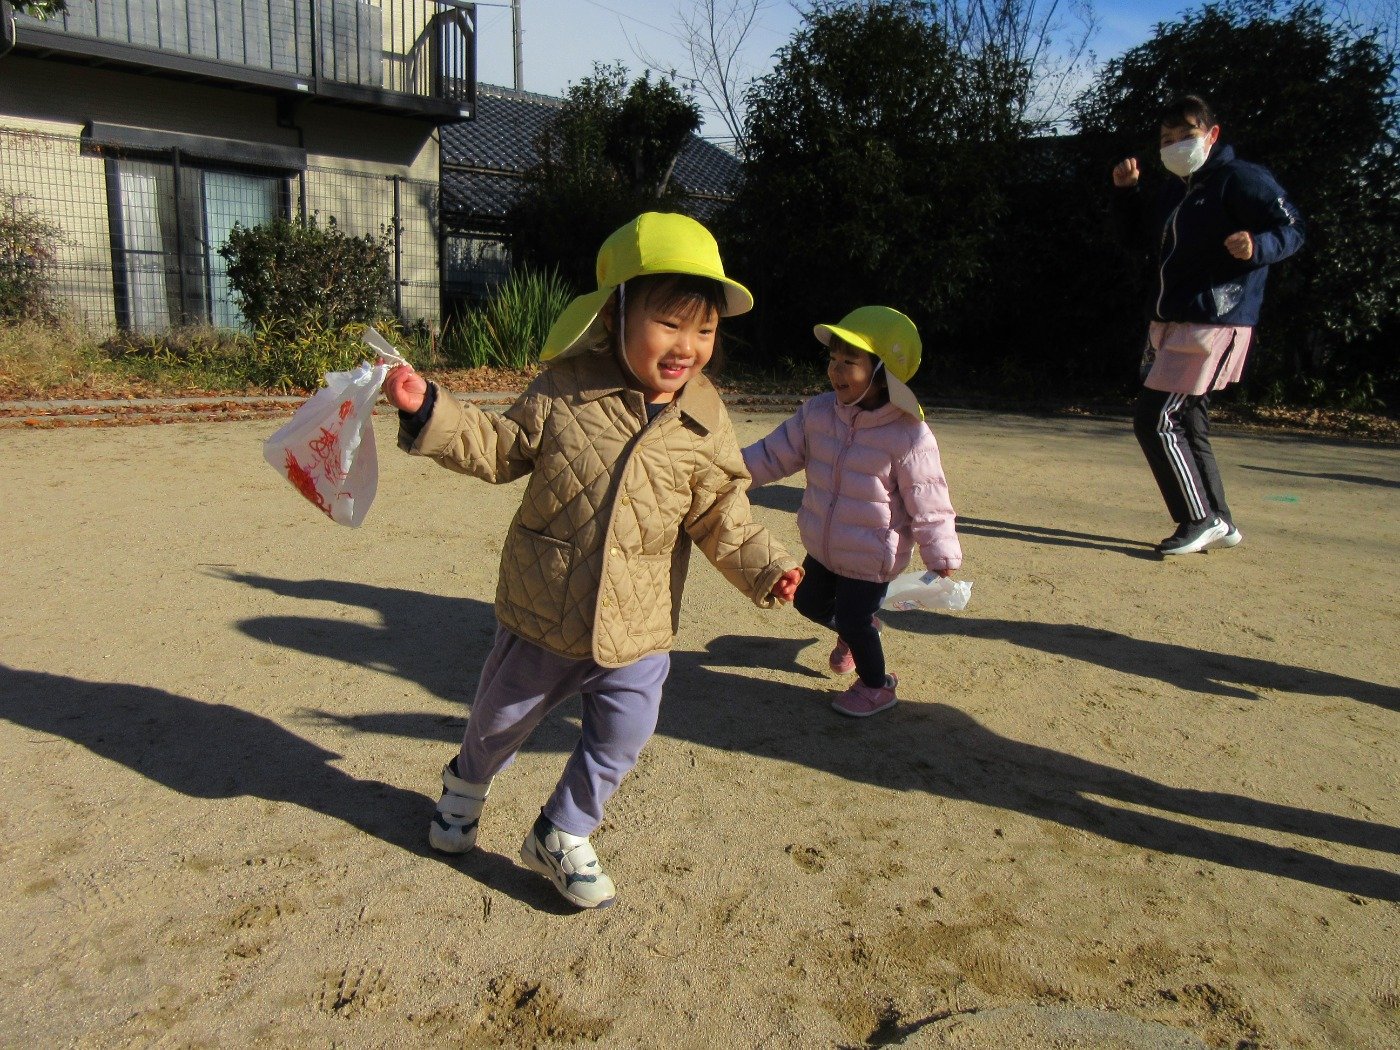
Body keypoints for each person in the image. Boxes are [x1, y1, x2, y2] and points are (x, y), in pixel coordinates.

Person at [381, 212, 803, 909]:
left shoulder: (705, 420)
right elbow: (499, 448)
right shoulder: (565, 389)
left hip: (638, 624)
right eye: (669, 323)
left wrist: (766, 565)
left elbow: (721, 512)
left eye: (704, 330)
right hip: (547, 606)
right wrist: (430, 410)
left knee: (624, 734)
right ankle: (466, 784)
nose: (688, 346)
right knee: (499, 721)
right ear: (616, 313)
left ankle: (564, 829)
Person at [741, 306, 961, 718]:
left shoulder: (908, 433)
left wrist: (941, 551)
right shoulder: (819, 413)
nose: (835, 370)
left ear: (882, 371)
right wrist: (731, 474)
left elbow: (929, 496)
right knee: (808, 603)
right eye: (833, 358)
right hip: (825, 543)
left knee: (854, 618)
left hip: (872, 553)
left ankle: (877, 686)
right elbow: (774, 453)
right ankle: (857, 631)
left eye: (849, 361)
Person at [1112, 94, 1304, 555]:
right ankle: (1220, 519)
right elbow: (1136, 241)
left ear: (1212, 135)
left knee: (1156, 418)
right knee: (1188, 418)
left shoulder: (1241, 178)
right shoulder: (1174, 190)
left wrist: (1257, 245)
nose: (1175, 144)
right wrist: (1126, 194)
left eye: (1186, 134)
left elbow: (1293, 228)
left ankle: (1198, 518)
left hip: (1214, 320)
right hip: (1173, 322)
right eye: (1167, 138)